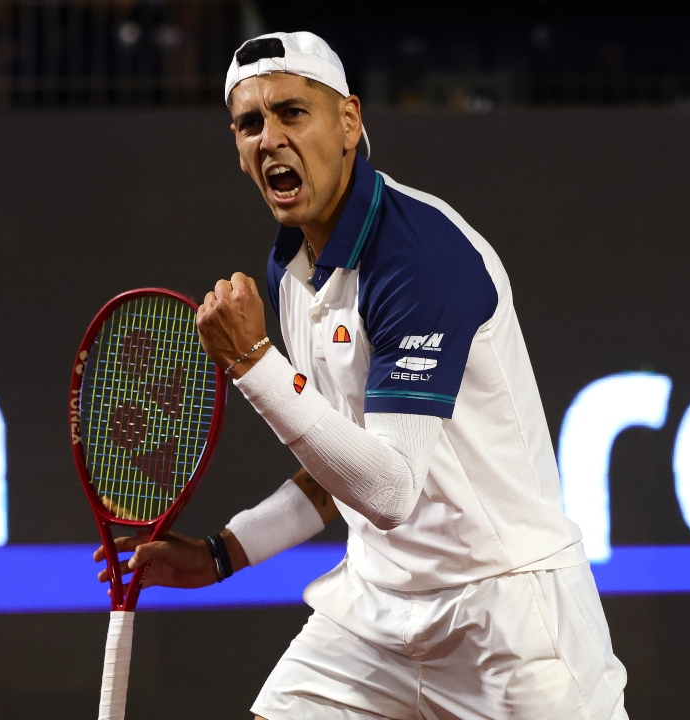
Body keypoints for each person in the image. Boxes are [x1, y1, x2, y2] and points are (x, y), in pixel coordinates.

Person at [93, 31, 628, 720]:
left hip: (507, 622)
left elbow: (390, 488)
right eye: (250, 123)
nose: (271, 138)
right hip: (375, 616)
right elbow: (340, 464)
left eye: (292, 112)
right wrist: (222, 553)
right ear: (236, 148)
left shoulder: (421, 257)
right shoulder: (289, 270)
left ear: (349, 122)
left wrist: (255, 363)